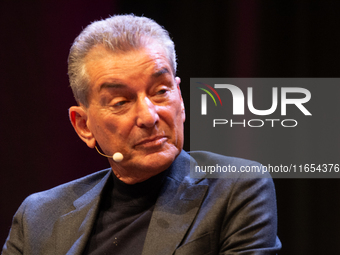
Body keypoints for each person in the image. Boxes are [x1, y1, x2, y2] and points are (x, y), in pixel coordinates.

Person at [2, 15, 281, 254]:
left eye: (161, 91)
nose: (149, 116)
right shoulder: (38, 216)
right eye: (120, 102)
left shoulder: (235, 188)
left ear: (180, 99)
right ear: (84, 126)